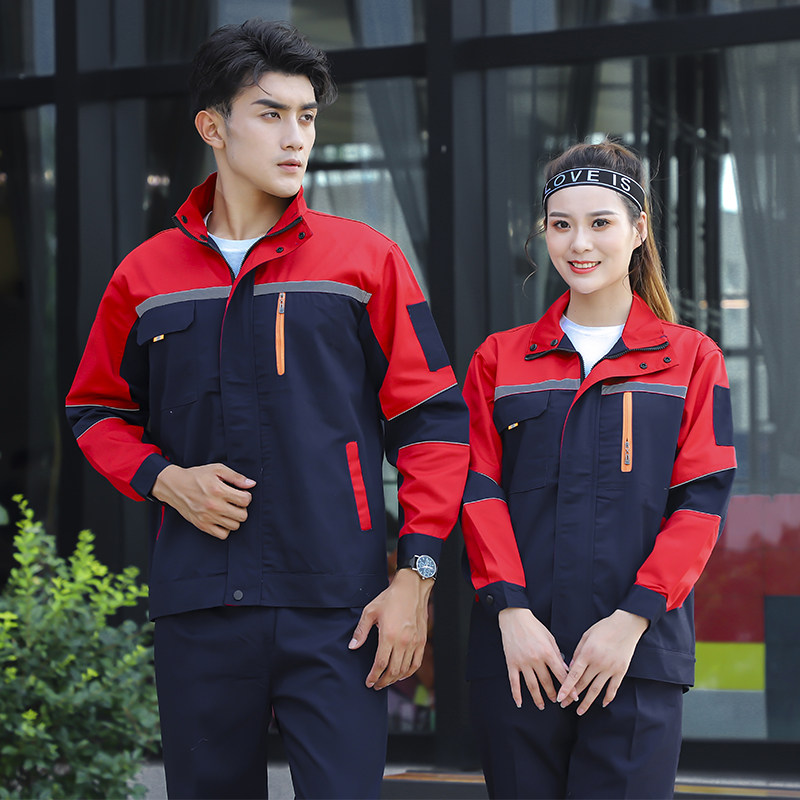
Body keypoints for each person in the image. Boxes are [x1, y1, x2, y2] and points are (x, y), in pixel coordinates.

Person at [65, 18, 469, 800]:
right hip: (201, 605)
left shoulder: (366, 262)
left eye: (307, 116)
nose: (297, 137)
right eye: (271, 113)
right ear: (213, 128)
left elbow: (433, 423)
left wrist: (414, 578)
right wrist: (164, 479)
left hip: (340, 608)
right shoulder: (145, 277)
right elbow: (94, 411)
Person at [461, 139, 736, 799]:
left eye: (600, 223)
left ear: (638, 231)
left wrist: (632, 620)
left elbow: (701, 503)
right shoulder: (499, 360)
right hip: (521, 657)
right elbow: (476, 491)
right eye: (561, 224)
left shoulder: (691, 359)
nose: (578, 243)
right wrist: (511, 613)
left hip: (636, 659)